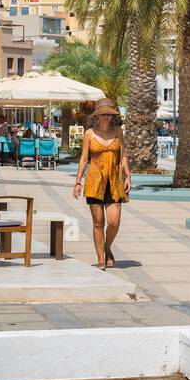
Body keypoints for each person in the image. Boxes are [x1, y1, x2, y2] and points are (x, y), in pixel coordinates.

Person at [72, 99, 131, 270]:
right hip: (94, 181)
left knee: (113, 222)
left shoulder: (118, 132)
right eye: (103, 114)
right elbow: (84, 159)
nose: (106, 117)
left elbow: (123, 155)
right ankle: (100, 258)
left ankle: (107, 246)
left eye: (108, 114)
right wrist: (77, 181)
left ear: (112, 116)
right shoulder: (89, 134)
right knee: (98, 222)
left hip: (114, 181)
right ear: (97, 116)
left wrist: (128, 175)